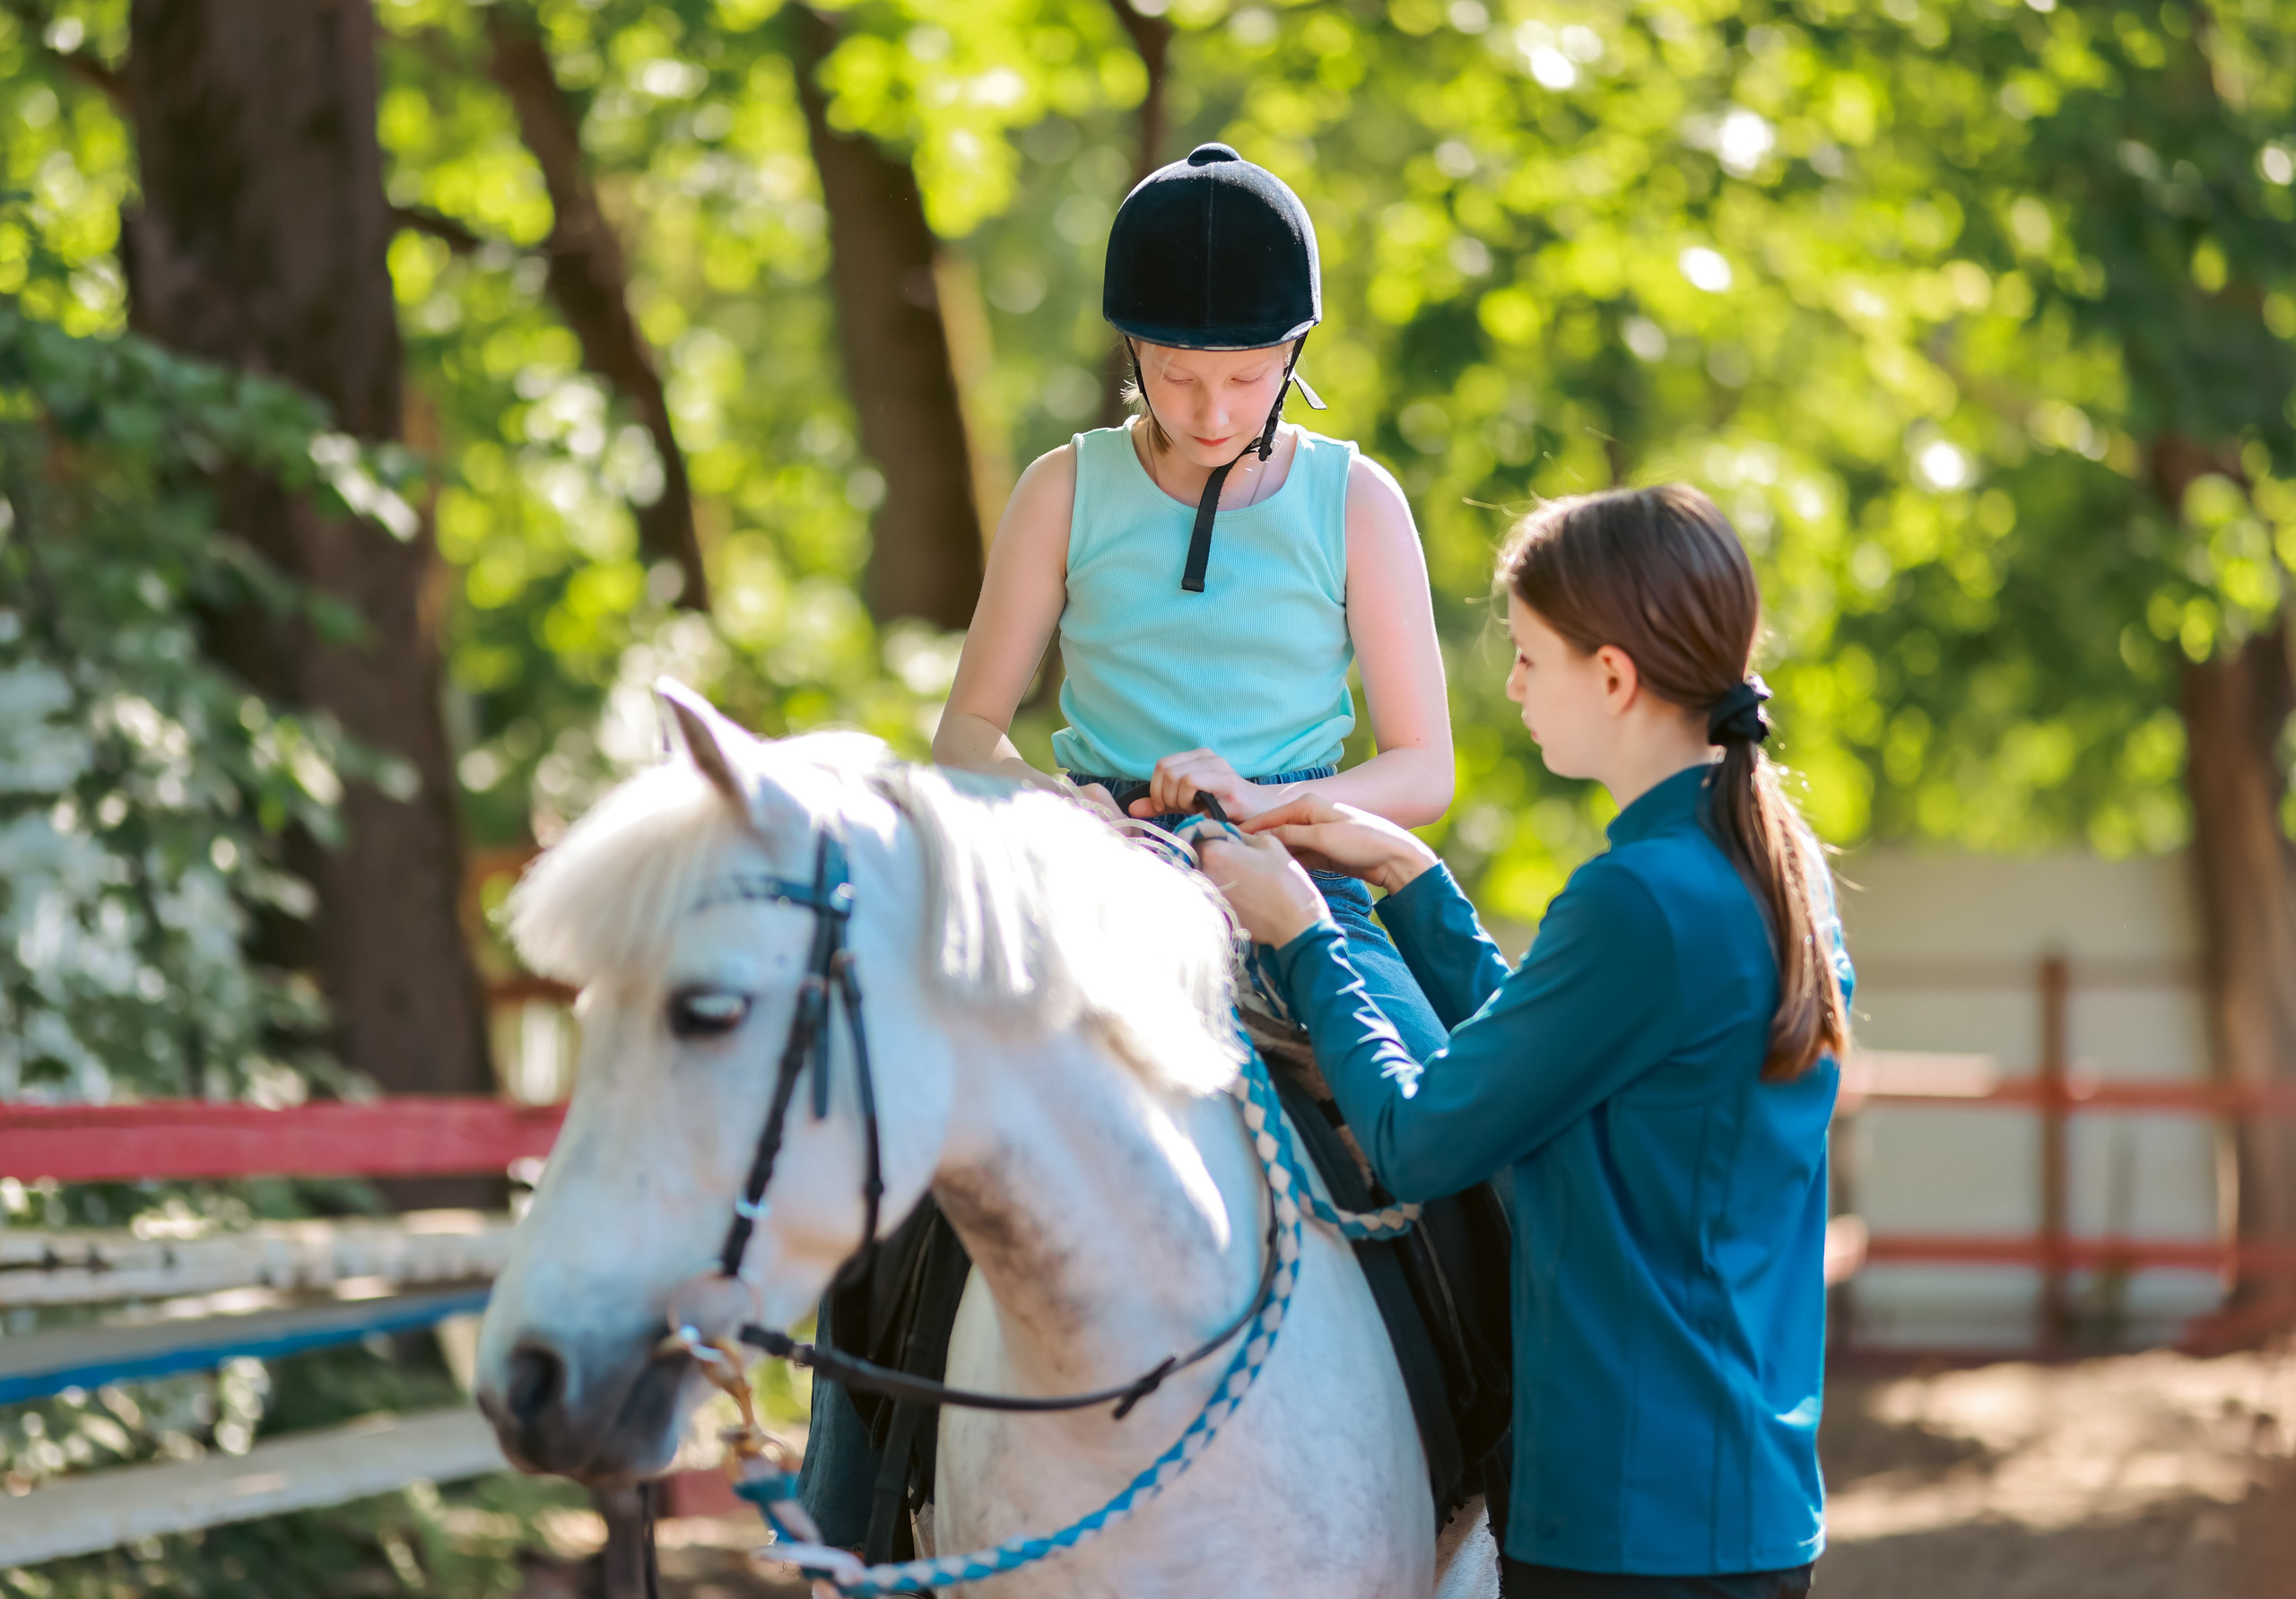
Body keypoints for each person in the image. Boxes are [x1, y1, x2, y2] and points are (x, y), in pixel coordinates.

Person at [1196, 485, 1855, 1598]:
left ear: (1612, 675)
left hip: (1626, 1527)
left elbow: (1419, 1138)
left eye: (1529, 657)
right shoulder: (1755, 869)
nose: (1508, 686)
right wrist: (1410, 877)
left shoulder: (1639, 898)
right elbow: (1557, 1068)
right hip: (1726, 1507)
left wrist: (1308, 938)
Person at [932, 140, 1455, 1060]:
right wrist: (1061, 810)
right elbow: (966, 733)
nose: (1212, 413)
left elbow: (1422, 769)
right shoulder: (1062, 489)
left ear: (1293, 352)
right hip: (1094, 861)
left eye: (1248, 377)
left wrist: (1259, 804)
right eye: (1177, 376)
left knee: (1442, 1118)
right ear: (1134, 350)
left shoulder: (1356, 501)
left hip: (1298, 868)